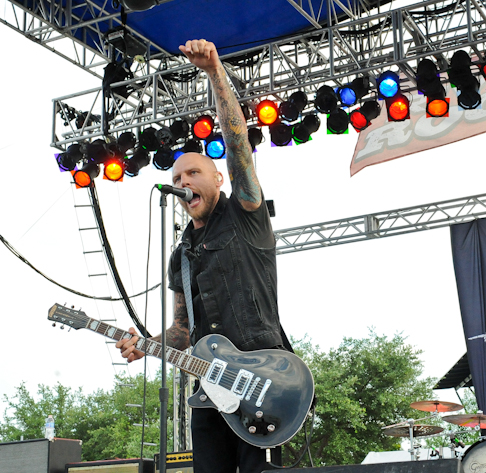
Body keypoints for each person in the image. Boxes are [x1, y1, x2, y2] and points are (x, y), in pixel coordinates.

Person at [116, 39, 292, 473]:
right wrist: (147, 345)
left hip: (263, 380)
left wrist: (215, 72)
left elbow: (238, 145)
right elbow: (183, 330)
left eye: (193, 172)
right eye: (176, 176)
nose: (183, 181)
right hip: (209, 389)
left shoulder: (244, 214)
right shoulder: (182, 255)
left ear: (216, 177)